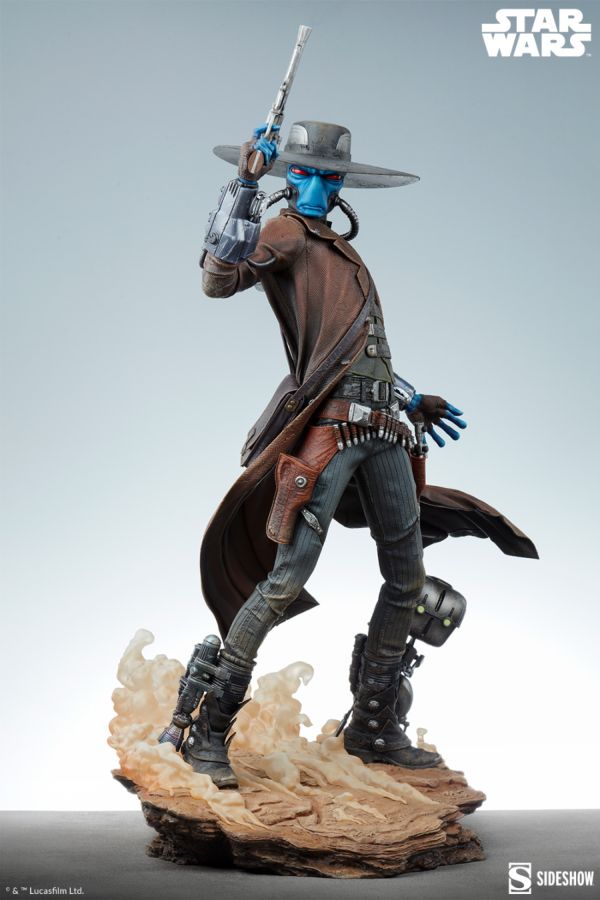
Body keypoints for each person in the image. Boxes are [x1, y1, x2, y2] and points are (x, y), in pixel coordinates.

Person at [179, 122, 537, 788]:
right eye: (305, 173)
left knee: (406, 578)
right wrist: (244, 186)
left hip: (384, 430)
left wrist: (410, 396)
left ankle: (373, 728)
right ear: (291, 178)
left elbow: (355, 351)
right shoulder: (285, 233)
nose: (318, 186)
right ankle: (208, 729)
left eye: (330, 176)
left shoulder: (340, 250)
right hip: (330, 431)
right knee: (284, 580)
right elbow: (218, 280)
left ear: (342, 182)